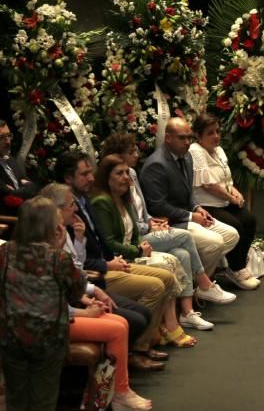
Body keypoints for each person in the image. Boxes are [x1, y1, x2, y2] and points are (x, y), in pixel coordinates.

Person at [56, 151, 180, 368]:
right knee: (155, 287)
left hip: (105, 265)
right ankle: (136, 351)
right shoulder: (63, 211)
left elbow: (99, 243)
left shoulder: (84, 200)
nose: (91, 178)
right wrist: (108, 264)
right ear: (68, 178)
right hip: (96, 274)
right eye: (84, 174)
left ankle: (143, 345)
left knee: (167, 278)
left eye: (91, 173)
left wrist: (115, 259)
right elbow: (75, 263)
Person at [1, 197, 86, 411]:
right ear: (50, 227)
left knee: (16, 407)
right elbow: (77, 290)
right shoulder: (56, 259)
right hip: (48, 341)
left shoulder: (5, 253)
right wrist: (65, 248)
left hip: (11, 338)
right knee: (42, 410)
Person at [100, 132, 235, 322]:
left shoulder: (132, 174)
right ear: (118, 157)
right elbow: (126, 225)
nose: (137, 154)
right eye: (132, 151)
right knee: (185, 237)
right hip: (138, 238)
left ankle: (187, 313)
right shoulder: (111, 190)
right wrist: (148, 228)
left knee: (183, 254)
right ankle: (204, 284)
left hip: (146, 228)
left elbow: (142, 210)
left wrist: (152, 221)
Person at [90, 154, 204, 340]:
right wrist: (138, 250)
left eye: (127, 172)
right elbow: (109, 242)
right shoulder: (102, 202)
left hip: (132, 252)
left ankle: (173, 321)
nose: (126, 177)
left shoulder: (123, 198)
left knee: (178, 255)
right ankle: (159, 332)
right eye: (119, 173)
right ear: (106, 178)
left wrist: (139, 244)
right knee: (171, 260)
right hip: (118, 259)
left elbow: (134, 233)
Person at [139, 117, 241, 288]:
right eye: (182, 138)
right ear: (168, 138)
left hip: (188, 215)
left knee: (232, 235)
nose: (187, 142)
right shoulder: (156, 165)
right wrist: (190, 216)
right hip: (169, 222)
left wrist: (197, 207)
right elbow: (157, 205)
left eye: (189, 137)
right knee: (215, 243)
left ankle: (197, 285)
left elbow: (188, 191)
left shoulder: (186, 157)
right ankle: (201, 286)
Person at [189, 113, 260, 290]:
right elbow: (208, 184)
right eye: (210, 133)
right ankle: (236, 269)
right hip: (205, 206)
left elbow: (226, 179)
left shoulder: (218, 150)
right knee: (235, 224)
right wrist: (231, 198)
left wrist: (235, 192)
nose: (216, 136)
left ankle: (238, 266)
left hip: (223, 201)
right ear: (198, 135)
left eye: (217, 131)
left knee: (249, 220)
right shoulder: (195, 151)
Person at [0, 119, 37, 216]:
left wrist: (17, 191)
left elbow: (33, 188)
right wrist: (26, 188)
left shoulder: (11, 160)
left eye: (9, 136)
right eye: (1, 138)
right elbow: (8, 194)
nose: (8, 141)